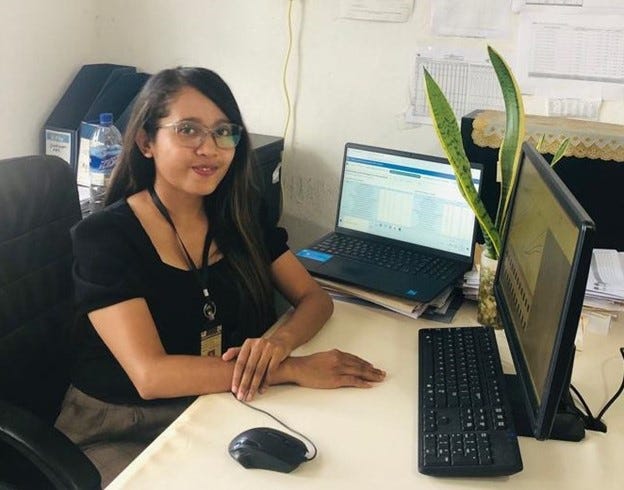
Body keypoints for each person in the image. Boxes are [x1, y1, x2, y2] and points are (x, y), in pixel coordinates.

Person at [54, 67, 386, 486]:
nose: (210, 148)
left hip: (218, 403)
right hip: (121, 425)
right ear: (146, 142)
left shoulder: (240, 214)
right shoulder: (105, 237)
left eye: (224, 132)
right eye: (188, 130)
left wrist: (276, 345)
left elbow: (315, 299)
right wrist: (290, 369)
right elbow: (151, 375)